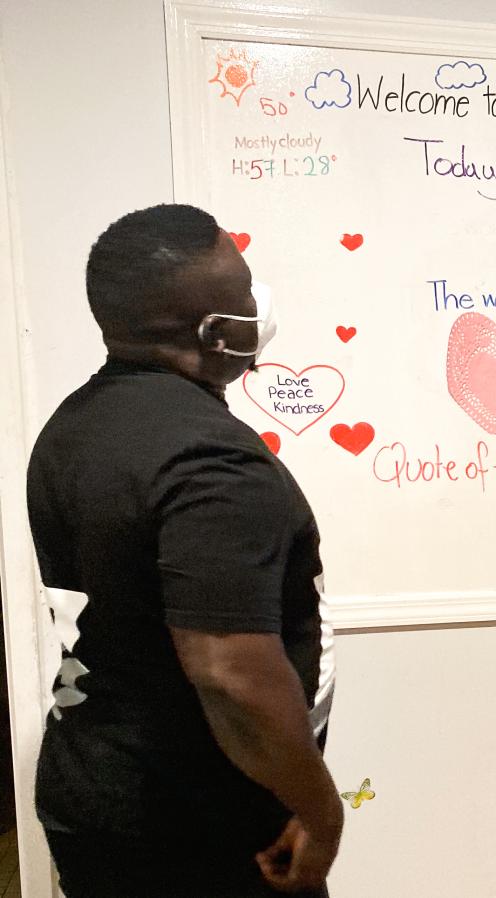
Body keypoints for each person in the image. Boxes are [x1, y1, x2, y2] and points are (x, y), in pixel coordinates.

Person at [26, 204, 343, 897]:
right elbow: (230, 674)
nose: (259, 305)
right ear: (213, 330)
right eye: (245, 290)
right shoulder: (211, 461)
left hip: (96, 790)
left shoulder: (72, 428)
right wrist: (321, 811)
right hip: (195, 827)